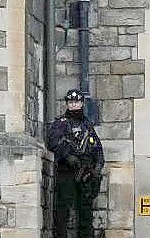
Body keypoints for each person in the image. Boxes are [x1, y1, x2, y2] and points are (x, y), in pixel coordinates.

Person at [47, 89, 104, 238]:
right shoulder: (60, 123)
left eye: (77, 102)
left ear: (82, 103)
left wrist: (98, 167)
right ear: (67, 104)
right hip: (67, 171)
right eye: (71, 102)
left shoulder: (87, 125)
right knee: (62, 212)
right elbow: (52, 142)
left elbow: (98, 149)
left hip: (85, 173)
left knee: (85, 212)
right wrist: (67, 155)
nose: (74, 105)